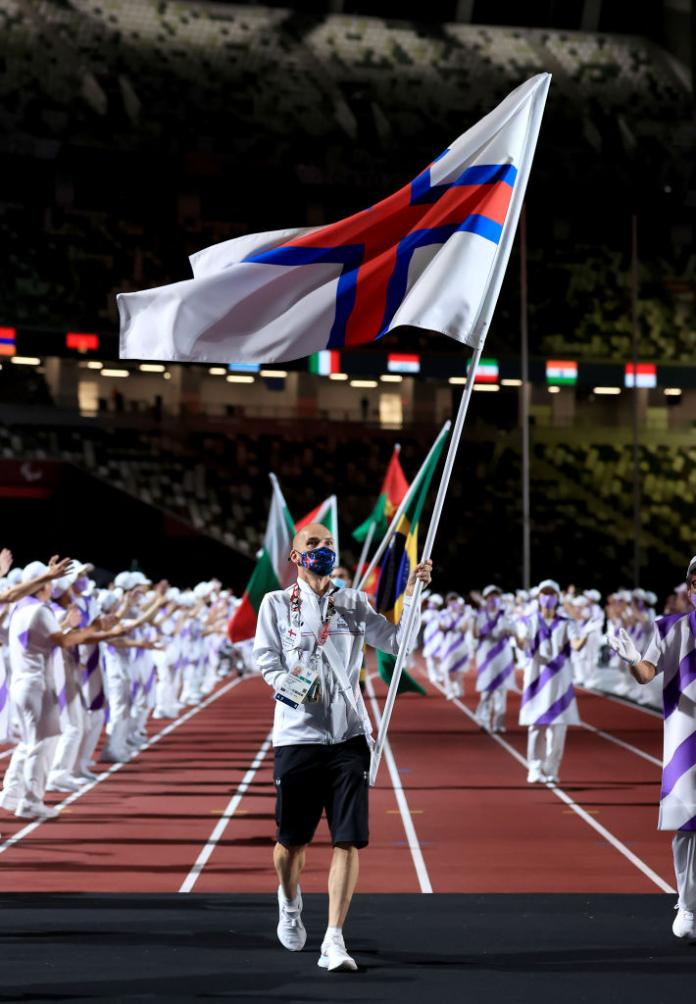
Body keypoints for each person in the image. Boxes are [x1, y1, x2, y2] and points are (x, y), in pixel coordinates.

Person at [253, 522, 432, 973]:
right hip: (298, 735)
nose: (323, 549)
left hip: (348, 735)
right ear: (295, 556)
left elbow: (396, 642)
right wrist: (292, 688)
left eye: (329, 543)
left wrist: (412, 595)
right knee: (290, 842)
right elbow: (265, 660)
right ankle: (289, 901)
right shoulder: (276, 604)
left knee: (347, 839)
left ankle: (334, 937)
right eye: (313, 544)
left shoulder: (352, 602)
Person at [609, 554, 696, 941]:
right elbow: (646, 674)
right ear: (691, 588)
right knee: (689, 824)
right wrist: (631, 659)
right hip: (685, 738)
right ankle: (690, 904)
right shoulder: (669, 628)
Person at [518, 579, 587, 784]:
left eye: (551, 593)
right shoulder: (528, 621)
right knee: (536, 726)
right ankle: (535, 767)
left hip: (559, 681)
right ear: (538, 597)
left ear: (557, 598)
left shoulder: (567, 623)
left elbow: (576, 645)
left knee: (558, 728)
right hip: (536, 678)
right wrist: (516, 638)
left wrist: (588, 635)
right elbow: (523, 642)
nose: (547, 597)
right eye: (544, 593)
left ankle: (551, 768)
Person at [473, 586, 516, 733]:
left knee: (501, 691)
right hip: (486, 655)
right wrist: (482, 631)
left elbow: (514, 632)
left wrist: (509, 631)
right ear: (485, 599)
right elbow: (475, 633)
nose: (493, 599)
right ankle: (484, 721)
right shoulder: (480, 615)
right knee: (486, 690)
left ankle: (498, 724)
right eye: (490, 596)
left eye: (496, 596)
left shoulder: (506, 615)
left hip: (503, 655)